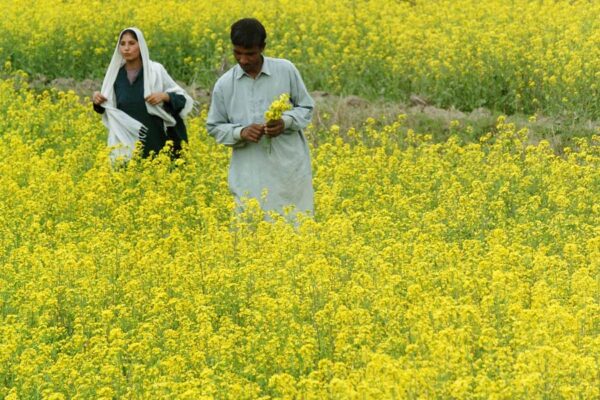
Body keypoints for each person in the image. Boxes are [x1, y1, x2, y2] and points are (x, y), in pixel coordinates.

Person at [206, 18, 315, 216]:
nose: (243, 60)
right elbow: (214, 126)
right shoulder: (224, 85)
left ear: (263, 47)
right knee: (252, 229)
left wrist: (285, 122)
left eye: (250, 54)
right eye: (237, 53)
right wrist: (241, 132)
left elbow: (306, 107)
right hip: (249, 171)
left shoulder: (286, 70)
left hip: (288, 170)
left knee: (294, 226)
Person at [92, 27, 193, 160]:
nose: (126, 48)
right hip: (125, 140)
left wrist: (164, 96)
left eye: (132, 43)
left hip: (156, 139)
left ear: (141, 46)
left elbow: (181, 99)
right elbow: (108, 108)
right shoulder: (114, 75)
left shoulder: (155, 71)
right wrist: (97, 100)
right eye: (122, 44)